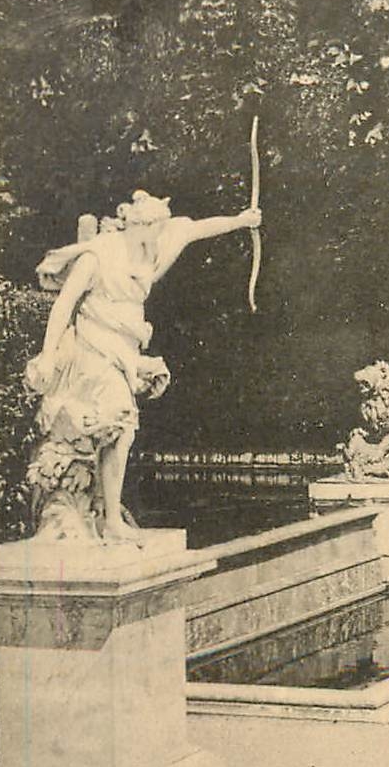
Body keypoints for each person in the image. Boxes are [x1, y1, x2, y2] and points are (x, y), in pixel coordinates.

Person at [25, 190, 263, 543]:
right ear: (138, 225)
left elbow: (195, 228)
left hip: (126, 350)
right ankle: (105, 519)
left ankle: (105, 512)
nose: (160, 235)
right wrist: (47, 355)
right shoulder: (99, 255)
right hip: (94, 346)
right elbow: (64, 305)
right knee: (118, 419)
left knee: (115, 427)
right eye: (154, 229)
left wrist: (241, 221)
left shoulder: (154, 244)